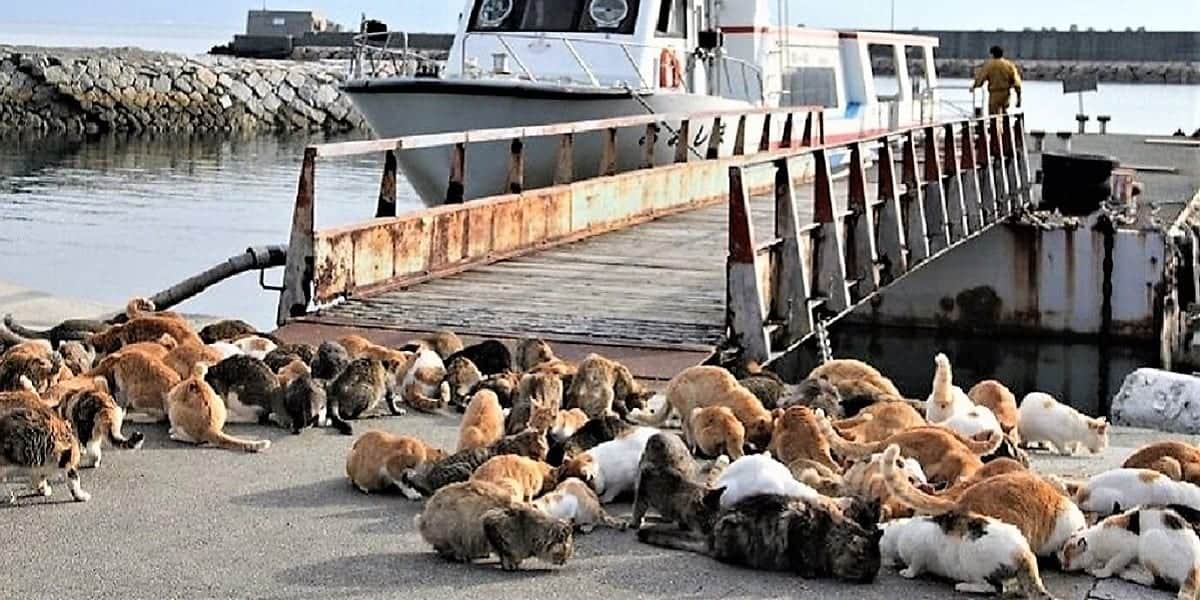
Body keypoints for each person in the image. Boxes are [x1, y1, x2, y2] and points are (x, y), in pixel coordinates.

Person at [972, 46, 1023, 115]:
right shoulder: (1009, 65)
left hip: (994, 93)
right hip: (1006, 93)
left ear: (992, 54)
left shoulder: (989, 65)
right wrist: (1018, 97)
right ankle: (1005, 125)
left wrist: (974, 86)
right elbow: (1017, 82)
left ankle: (994, 125)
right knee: (1004, 112)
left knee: (993, 114)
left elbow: (981, 78)